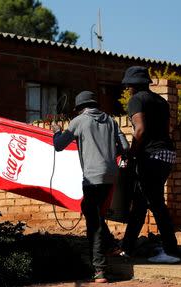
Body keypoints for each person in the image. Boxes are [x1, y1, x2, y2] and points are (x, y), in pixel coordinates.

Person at [52, 91, 129, 283]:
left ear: (80, 108)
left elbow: (59, 145)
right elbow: (126, 147)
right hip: (111, 176)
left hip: (92, 178)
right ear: (94, 104)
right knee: (93, 212)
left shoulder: (79, 121)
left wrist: (56, 131)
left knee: (93, 223)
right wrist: (111, 152)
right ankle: (111, 246)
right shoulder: (111, 121)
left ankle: (99, 270)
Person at [120, 66, 180, 263]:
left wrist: (131, 153)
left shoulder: (137, 100)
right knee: (140, 203)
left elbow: (140, 130)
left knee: (155, 203)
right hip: (167, 153)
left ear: (132, 85)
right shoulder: (161, 101)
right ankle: (127, 247)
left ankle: (171, 251)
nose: (128, 89)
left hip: (152, 156)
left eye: (128, 85)